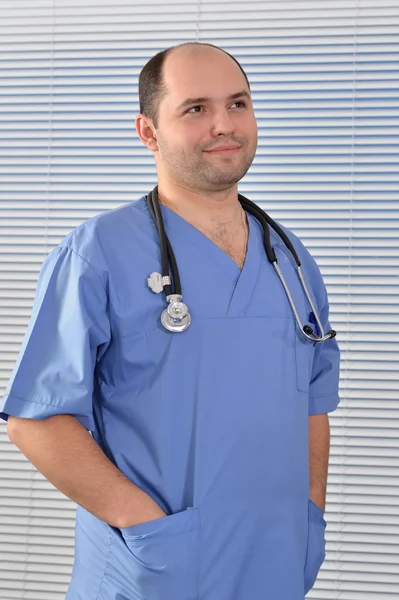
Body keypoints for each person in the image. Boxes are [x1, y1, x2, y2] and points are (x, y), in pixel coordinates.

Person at [0, 42, 340, 600]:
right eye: (196, 109)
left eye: (238, 104)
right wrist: (146, 527)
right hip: (155, 571)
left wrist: (309, 518)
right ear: (148, 131)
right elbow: (36, 420)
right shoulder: (98, 252)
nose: (224, 125)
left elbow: (312, 405)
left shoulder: (291, 259)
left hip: (275, 565)